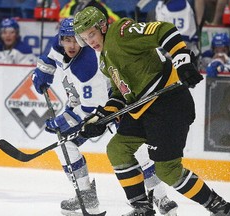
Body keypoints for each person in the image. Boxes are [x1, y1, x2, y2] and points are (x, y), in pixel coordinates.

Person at [73, 6, 230, 216]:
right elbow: (120, 93)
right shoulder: (105, 61)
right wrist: (102, 117)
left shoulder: (121, 33)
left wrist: (181, 60)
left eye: (92, 34)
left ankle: (220, 207)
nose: (90, 41)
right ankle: (142, 208)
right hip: (144, 109)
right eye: (85, 38)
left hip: (169, 103)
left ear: (103, 26)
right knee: (117, 149)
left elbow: (164, 29)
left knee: (167, 170)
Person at [32, 18, 178, 216]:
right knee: (65, 143)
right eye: (66, 40)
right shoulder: (60, 45)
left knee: (137, 151)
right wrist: (43, 71)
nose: (71, 45)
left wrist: (61, 121)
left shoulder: (87, 66)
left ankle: (160, 197)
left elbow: (90, 110)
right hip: (94, 107)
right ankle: (86, 195)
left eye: (75, 40)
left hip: (115, 106)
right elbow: (51, 55)